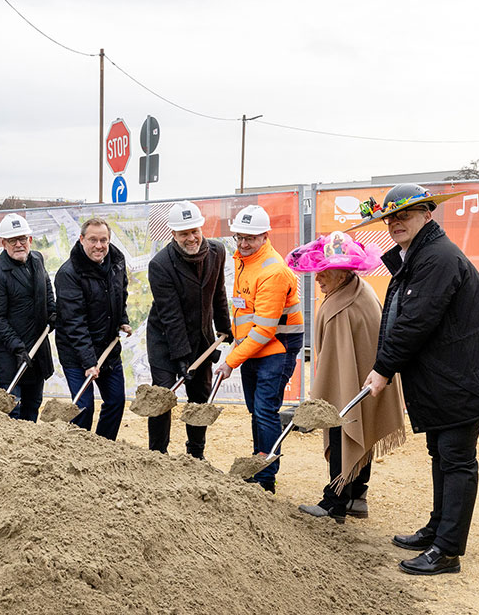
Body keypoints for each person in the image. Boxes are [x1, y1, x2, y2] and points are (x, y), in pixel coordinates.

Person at [359, 184, 479, 575]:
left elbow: (416, 321)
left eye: (404, 214)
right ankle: (438, 530)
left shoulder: (436, 257)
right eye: (390, 217)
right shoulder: (420, 254)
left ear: (428, 215)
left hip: (466, 377)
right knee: (441, 452)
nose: (395, 222)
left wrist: (383, 367)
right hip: (449, 376)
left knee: (456, 459)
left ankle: (447, 551)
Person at [286, 231, 406, 522]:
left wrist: (324, 398)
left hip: (356, 382)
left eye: (324, 272)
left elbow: (334, 367)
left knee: (341, 425)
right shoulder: (360, 289)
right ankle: (356, 497)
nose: (317, 278)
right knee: (359, 426)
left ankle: (334, 503)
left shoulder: (340, 306)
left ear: (342, 273)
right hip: (370, 381)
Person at [213, 204, 303, 493]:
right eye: (239, 237)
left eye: (250, 237)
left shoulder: (273, 271)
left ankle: (265, 479)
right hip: (254, 346)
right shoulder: (243, 260)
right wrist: (233, 335)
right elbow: (245, 310)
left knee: (265, 410)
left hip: (277, 347)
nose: (243, 243)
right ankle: (258, 462)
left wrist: (231, 361)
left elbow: (264, 330)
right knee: (256, 409)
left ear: (265, 236)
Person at [146, 202, 232, 457]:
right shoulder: (160, 265)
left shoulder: (217, 251)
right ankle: (157, 454)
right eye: (184, 233)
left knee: (200, 396)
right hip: (164, 339)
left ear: (201, 228)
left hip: (201, 337)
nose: (191, 238)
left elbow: (218, 292)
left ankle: (196, 453)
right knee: (162, 395)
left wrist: (225, 326)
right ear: (173, 234)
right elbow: (170, 316)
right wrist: (182, 357)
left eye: (194, 231)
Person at [55, 217, 133, 440]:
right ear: (81, 240)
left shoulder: (116, 261)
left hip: (107, 347)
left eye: (104, 240)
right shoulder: (68, 274)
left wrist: (122, 319)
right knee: (84, 407)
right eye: (93, 240)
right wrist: (89, 362)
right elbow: (74, 322)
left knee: (116, 401)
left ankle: (102, 447)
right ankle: (78, 451)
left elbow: (121, 294)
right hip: (76, 353)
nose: (99, 245)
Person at [0, 212, 57, 421]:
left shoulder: (37, 259)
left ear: (30, 240)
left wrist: (51, 311)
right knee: (12, 410)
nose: (19, 244)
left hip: (37, 347)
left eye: (22, 239)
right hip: (11, 353)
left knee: (33, 403)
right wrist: (17, 347)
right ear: (4, 243)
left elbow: (46, 287)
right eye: (13, 240)